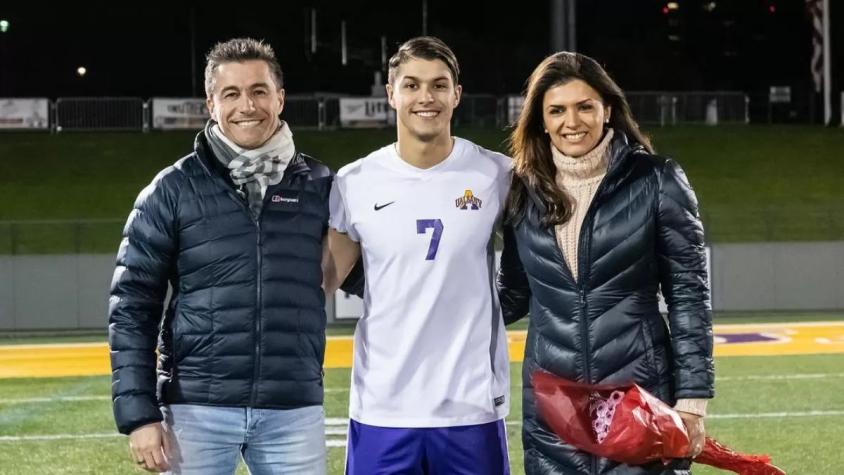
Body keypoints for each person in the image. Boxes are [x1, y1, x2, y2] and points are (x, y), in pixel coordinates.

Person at [109, 38, 333, 474]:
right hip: (196, 409)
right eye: (231, 94)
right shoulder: (172, 189)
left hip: (293, 407)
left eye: (259, 91)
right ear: (210, 104)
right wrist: (140, 414)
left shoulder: (321, 185)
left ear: (280, 98)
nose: (246, 105)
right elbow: (132, 306)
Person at [497, 51, 714, 474]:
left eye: (585, 107)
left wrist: (692, 403)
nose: (571, 122)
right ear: (541, 120)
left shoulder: (657, 180)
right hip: (554, 411)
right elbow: (512, 297)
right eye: (556, 110)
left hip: (640, 396)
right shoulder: (521, 193)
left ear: (608, 110)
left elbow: (689, 297)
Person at [323, 36, 512, 474]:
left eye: (438, 85)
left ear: (456, 95)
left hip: (471, 407)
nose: (426, 97)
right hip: (383, 406)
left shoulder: (496, 174)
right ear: (391, 94)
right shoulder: (355, 182)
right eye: (411, 85)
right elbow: (322, 280)